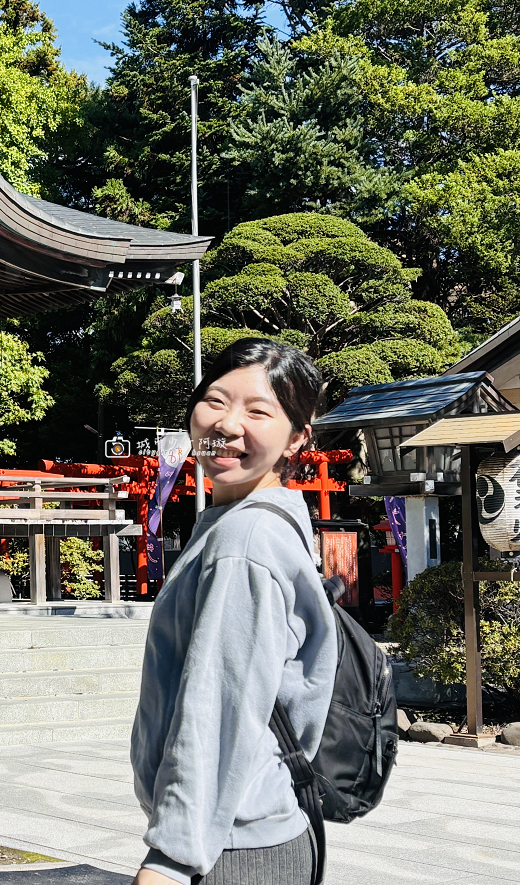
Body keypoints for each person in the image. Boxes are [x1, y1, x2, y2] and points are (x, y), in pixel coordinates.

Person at [131, 338, 337, 885]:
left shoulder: (244, 538)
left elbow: (218, 709)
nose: (227, 423)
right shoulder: (257, 519)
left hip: (231, 849)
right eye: (216, 401)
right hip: (256, 828)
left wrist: (170, 861)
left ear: (298, 437)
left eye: (258, 411)